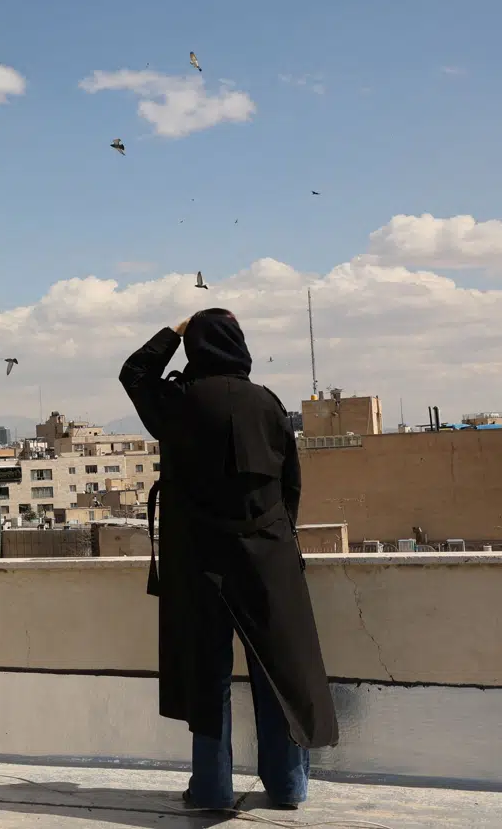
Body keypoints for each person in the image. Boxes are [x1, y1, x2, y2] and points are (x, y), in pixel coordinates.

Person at [119, 308, 338, 812]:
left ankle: (212, 790)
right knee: (277, 671)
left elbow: (134, 373)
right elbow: (291, 485)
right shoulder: (268, 403)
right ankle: (287, 786)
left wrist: (173, 333)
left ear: (196, 346)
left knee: (207, 676)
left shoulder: (178, 402)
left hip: (200, 561)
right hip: (268, 556)